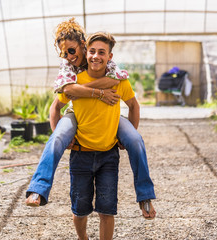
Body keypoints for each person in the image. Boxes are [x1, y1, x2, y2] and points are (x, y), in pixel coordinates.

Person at [25, 18, 156, 219]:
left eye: (71, 50)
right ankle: (39, 189)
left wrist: (86, 91)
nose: (68, 56)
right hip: (76, 113)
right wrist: (96, 93)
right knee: (57, 138)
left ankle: (145, 196)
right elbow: (66, 92)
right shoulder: (68, 67)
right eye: (63, 52)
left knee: (136, 140)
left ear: (82, 46)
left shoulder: (100, 58)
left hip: (110, 115)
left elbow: (116, 81)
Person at [57, 31, 142, 239]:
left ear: (109, 57)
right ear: (86, 53)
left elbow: (133, 105)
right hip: (81, 154)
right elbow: (56, 106)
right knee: (80, 208)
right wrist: (63, 136)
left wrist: (129, 134)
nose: (96, 56)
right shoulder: (74, 80)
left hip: (108, 156)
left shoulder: (117, 80)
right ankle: (83, 238)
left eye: (102, 52)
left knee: (107, 208)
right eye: (92, 51)